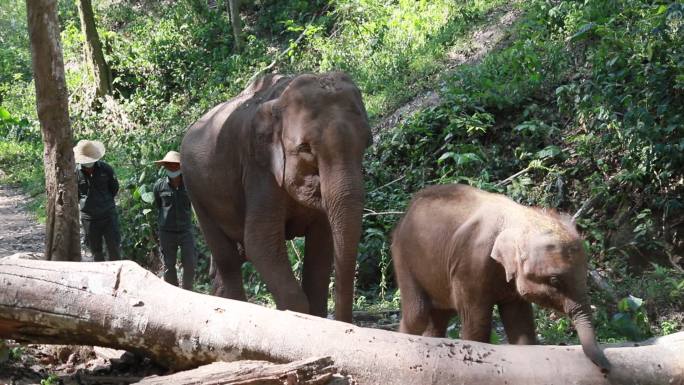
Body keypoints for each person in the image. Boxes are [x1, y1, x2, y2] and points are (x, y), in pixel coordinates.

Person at [153, 150, 197, 290]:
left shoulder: (189, 185)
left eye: (175, 166)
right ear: (165, 167)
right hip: (166, 231)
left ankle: (187, 291)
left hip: (185, 230)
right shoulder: (159, 186)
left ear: (181, 167)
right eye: (169, 166)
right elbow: (158, 205)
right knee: (169, 264)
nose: (172, 169)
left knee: (190, 262)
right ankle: (173, 291)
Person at [74, 139, 121, 261]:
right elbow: (75, 194)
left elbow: (114, 188)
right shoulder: (75, 173)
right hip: (89, 218)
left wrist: (104, 201)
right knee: (96, 251)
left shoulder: (106, 169)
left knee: (114, 248)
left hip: (108, 215)